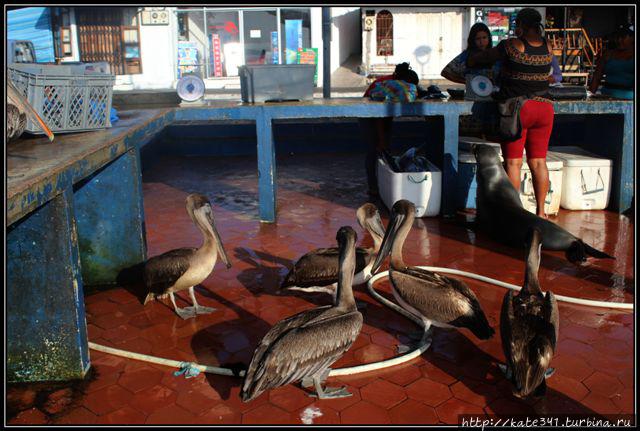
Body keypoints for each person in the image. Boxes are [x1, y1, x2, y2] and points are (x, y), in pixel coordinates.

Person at [467, 8, 554, 218]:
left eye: (517, 25)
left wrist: (470, 60)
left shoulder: (512, 45)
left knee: (514, 162)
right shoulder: (548, 46)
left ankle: (516, 214)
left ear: (522, 25)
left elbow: (486, 56)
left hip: (519, 109)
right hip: (545, 108)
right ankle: (542, 212)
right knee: (539, 162)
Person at [361, 62, 420, 198]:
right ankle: (373, 187)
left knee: (385, 151)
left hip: (385, 116)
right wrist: (382, 140)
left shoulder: (398, 82)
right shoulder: (386, 86)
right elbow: (379, 118)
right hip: (368, 116)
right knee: (373, 151)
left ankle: (385, 185)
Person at [589, 24, 634, 100]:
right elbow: (596, 78)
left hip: (630, 99)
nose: (619, 40)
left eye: (623, 37)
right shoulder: (608, 54)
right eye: (617, 37)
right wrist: (589, 97)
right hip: (607, 97)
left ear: (633, 38)